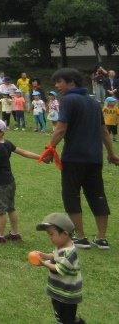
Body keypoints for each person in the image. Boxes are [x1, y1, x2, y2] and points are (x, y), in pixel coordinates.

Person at [43, 68, 119, 250]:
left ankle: (81, 237)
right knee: (97, 195)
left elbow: (61, 128)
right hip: (94, 158)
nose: (57, 86)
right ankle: (101, 238)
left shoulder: (68, 100)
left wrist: (49, 149)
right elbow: (104, 131)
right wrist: (111, 153)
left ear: (71, 82)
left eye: (59, 81)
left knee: (71, 195)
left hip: (74, 158)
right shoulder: (94, 102)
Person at [30, 213, 84, 324]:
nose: (50, 237)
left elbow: (59, 268)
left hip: (67, 295)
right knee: (61, 315)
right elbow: (55, 257)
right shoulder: (61, 247)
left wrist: (43, 263)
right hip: (59, 291)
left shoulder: (70, 253)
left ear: (65, 234)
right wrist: (44, 256)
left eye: (51, 234)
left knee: (66, 319)